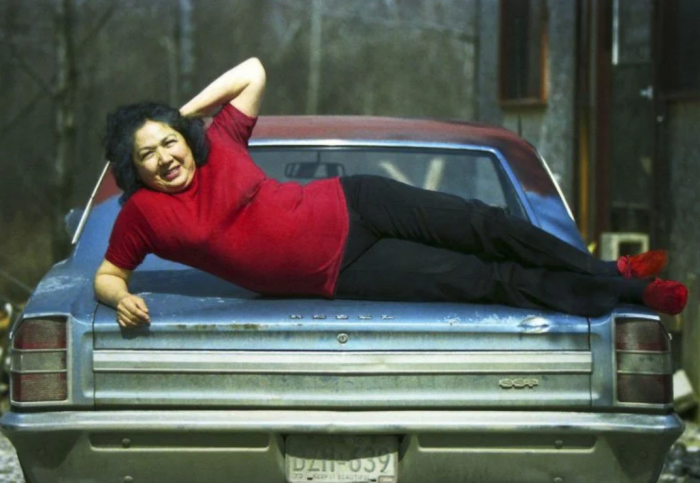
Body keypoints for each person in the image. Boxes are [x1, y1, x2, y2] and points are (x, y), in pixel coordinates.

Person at [94, 58, 688, 329]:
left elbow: (252, 70)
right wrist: (118, 298)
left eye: (168, 142)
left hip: (356, 201)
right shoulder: (144, 215)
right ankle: (624, 294)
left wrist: (181, 113)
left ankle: (617, 274)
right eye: (146, 154)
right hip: (343, 270)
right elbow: (107, 273)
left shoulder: (218, 142)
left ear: (182, 137)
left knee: (486, 225)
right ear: (133, 167)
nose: (164, 158)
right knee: (483, 280)